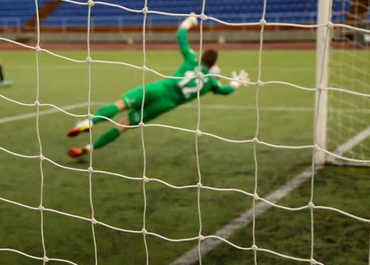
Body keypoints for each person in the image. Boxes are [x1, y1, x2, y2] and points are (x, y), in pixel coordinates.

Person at [66, 14, 249, 158]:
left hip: (158, 89)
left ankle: (88, 122)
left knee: (120, 105)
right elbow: (225, 91)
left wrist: (186, 24)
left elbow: (180, 36)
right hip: (166, 104)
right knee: (124, 124)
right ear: (214, 65)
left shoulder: (191, 60)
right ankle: (89, 148)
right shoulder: (210, 83)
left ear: (202, 57)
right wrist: (235, 84)